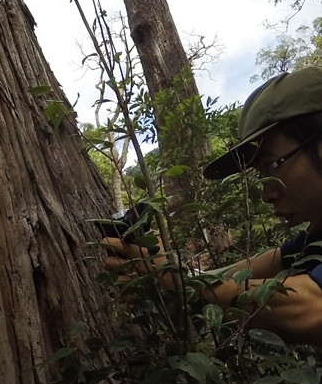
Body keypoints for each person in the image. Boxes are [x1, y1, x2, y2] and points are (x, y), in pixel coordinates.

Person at [104, 65, 322, 344]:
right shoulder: (312, 239)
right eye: (259, 174)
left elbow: (314, 308)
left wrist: (179, 286)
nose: (267, 193)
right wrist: (167, 275)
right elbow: (266, 263)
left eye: (272, 165)